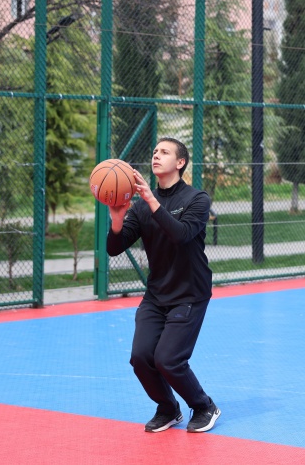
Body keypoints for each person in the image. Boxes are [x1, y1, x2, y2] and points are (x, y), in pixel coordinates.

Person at [106, 137, 220, 433]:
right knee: (141, 358)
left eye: (165, 152)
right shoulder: (142, 207)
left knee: (168, 359)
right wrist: (117, 220)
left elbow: (181, 234)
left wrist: (151, 201)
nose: (156, 155)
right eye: (155, 151)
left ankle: (204, 406)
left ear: (180, 163)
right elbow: (114, 248)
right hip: (157, 295)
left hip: (189, 293)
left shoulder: (197, 199)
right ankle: (168, 408)